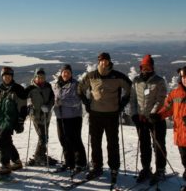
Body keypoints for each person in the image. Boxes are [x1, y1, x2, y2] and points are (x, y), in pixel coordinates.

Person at [78, 52, 132, 182]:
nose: (103, 63)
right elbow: (80, 89)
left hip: (112, 115)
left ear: (109, 61)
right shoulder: (91, 76)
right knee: (95, 142)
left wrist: (122, 104)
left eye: (106, 60)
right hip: (95, 115)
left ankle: (114, 168)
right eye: (101, 60)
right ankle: (97, 167)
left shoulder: (118, 76)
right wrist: (87, 103)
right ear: (99, 62)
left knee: (112, 143)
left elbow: (130, 88)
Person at [130, 54, 167, 185]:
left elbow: (161, 100)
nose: (145, 69)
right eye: (143, 67)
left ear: (152, 67)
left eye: (148, 67)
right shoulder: (136, 81)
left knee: (158, 145)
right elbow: (133, 99)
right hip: (141, 119)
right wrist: (134, 115)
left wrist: (152, 114)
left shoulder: (159, 81)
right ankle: (146, 168)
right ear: (141, 67)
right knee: (144, 145)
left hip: (156, 119)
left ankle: (160, 169)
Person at [0, 66, 27, 175]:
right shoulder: (0, 89)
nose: (7, 78)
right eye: (5, 76)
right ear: (2, 77)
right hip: (1, 120)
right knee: (7, 141)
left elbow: (23, 108)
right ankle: (16, 161)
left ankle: (5, 165)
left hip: (12, 120)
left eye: (9, 76)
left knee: (1, 141)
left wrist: (20, 122)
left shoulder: (18, 89)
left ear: (12, 76)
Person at [53, 64, 87, 173]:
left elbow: (77, 101)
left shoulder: (75, 85)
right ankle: (69, 161)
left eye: (68, 72)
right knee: (63, 139)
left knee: (75, 139)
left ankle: (80, 163)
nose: (66, 74)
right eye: (64, 72)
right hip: (60, 117)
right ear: (61, 73)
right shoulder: (57, 85)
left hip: (73, 117)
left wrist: (62, 102)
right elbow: (54, 99)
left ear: (71, 74)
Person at [25, 68, 57, 166]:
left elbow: (52, 98)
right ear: (35, 77)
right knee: (43, 137)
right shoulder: (31, 88)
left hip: (46, 116)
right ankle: (39, 156)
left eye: (43, 77)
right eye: (39, 77)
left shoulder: (48, 86)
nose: (41, 79)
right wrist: (29, 106)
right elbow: (25, 98)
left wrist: (48, 106)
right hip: (36, 116)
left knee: (45, 136)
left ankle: (41, 154)